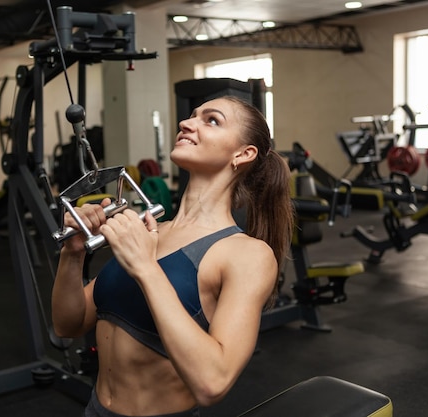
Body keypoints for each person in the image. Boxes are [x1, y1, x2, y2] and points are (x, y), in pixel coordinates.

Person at [51, 96, 294, 417]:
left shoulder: (246, 254)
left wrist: (146, 268)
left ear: (243, 154)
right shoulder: (152, 229)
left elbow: (213, 383)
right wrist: (73, 253)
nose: (186, 123)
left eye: (211, 120)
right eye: (192, 116)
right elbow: (68, 325)